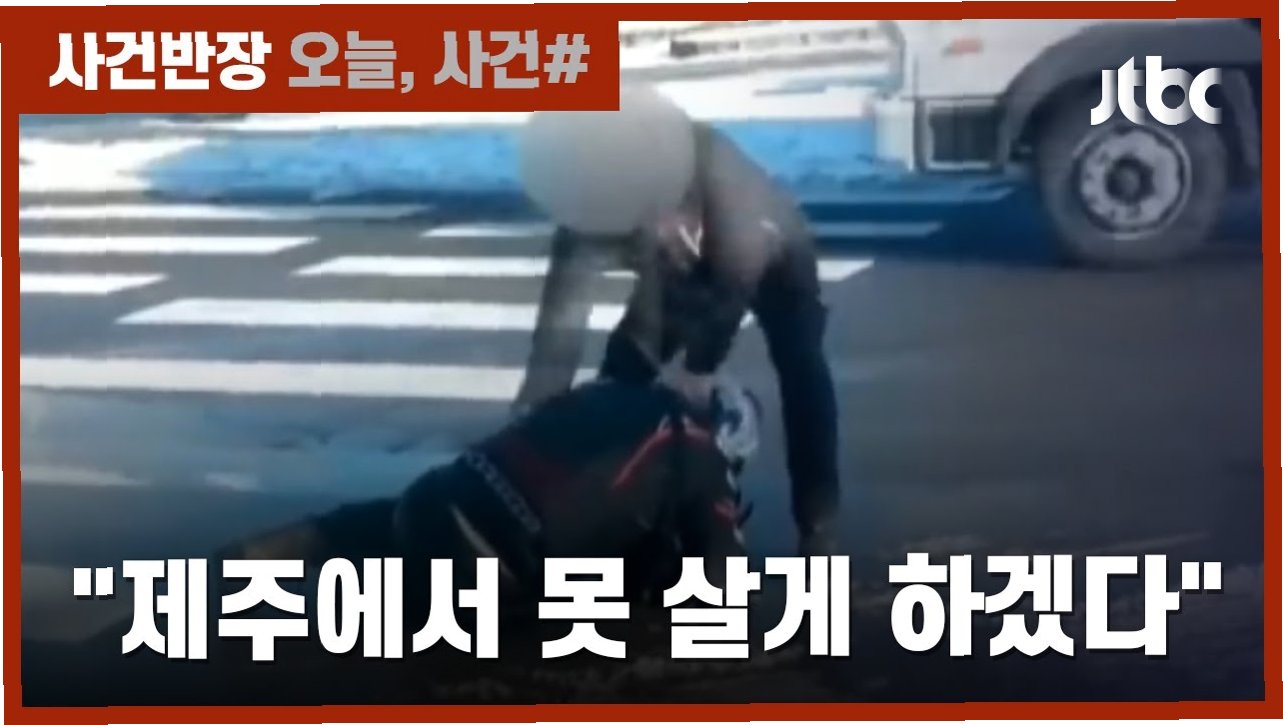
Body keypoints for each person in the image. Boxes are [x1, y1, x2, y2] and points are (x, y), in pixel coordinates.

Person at [514, 84, 840, 556]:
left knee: (801, 363)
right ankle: (621, 508)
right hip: (677, 270)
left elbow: (737, 269)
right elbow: (561, 316)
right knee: (621, 373)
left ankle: (818, 522)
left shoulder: (712, 164)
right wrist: (538, 407)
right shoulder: (590, 185)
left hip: (771, 252)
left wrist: (700, 366)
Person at [222, 378, 761, 606]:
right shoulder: (705, 457)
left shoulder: (617, 392)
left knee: (375, 528)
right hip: (491, 566)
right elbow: (722, 587)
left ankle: (259, 554)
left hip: (434, 499)